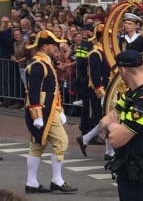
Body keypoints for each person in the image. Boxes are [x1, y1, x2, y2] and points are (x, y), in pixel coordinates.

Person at [100, 50, 143, 201]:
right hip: (130, 170)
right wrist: (113, 126)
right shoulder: (133, 94)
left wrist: (110, 127)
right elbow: (105, 119)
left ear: (123, 70)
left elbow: (116, 140)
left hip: (141, 172)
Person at [23, 30, 78, 194]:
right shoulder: (38, 65)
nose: (56, 48)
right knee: (61, 142)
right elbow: (34, 92)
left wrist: (59, 110)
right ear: (45, 46)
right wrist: (37, 115)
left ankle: (31, 183)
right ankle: (57, 180)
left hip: (50, 111)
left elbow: (52, 91)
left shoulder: (44, 63)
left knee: (38, 145)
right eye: (53, 45)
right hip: (43, 113)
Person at [84, 23, 116, 160]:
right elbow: (94, 76)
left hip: (109, 90)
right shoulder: (95, 53)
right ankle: (89, 139)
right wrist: (101, 93)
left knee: (110, 120)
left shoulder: (105, 52)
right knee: (105, 120)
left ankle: (108, 151)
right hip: (100, 91)